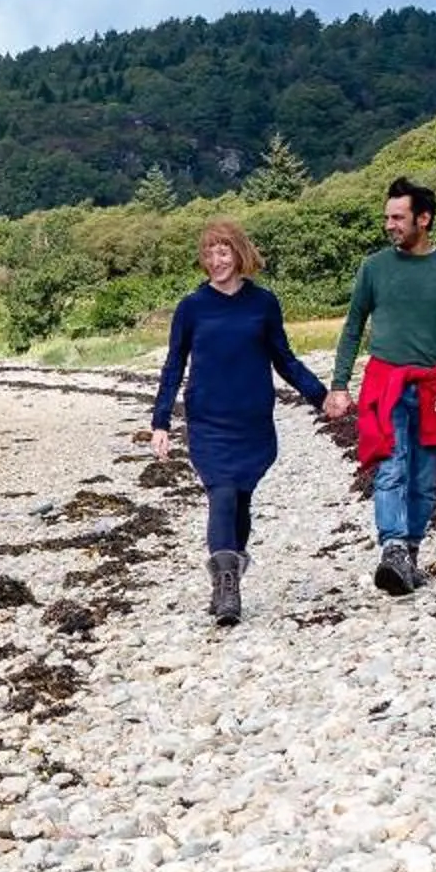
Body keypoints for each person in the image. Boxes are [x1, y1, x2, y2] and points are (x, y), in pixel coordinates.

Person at [150, 219, 328, 626]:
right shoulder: (192, 307)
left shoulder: (263, 303)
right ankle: (228, 586)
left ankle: (226, 579)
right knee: (223, 493)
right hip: (208, 421)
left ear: (239, 253)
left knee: (242, 498)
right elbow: (174, 365)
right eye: (209, 253)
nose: (216, 261)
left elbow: (284, 359)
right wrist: (161, 423)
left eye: (223, 251)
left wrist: (320, 397)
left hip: (252, 420)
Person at [322, 178, 436, 594]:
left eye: (398, 218)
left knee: (425, 479)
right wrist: (339, 384)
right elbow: (353, 327)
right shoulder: (373, 268)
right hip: (386, 384)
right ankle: (393, 547)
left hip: (435, 388)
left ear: (424, 218)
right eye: (387, 217)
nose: (390, 225)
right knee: (391, 466)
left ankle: (409, 552)